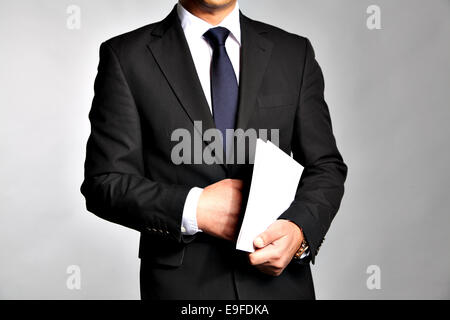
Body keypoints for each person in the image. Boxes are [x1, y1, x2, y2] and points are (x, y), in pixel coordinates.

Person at [81, 0, 347, 299]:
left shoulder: (294, 53)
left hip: (281, 285)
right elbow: (104, 182)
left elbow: (325, 166)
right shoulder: (125, 56)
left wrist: (299, 231)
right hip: (182, 290)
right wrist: (194, 209)